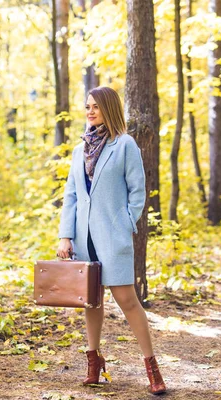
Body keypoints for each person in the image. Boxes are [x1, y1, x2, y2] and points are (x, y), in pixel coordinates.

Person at [56, 86, 167, 395]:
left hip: (113, 235)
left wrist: (125, 223)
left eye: (96, 106)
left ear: (109, 109)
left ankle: (152, 366)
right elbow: (72, 196)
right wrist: (65, 235)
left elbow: (138, 190)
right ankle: (94, 363)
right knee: (91, 301)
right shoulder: (80, 150)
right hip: (83, 238)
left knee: (128, 300)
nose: (90, 111)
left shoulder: (124, 145)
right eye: (87, 106)